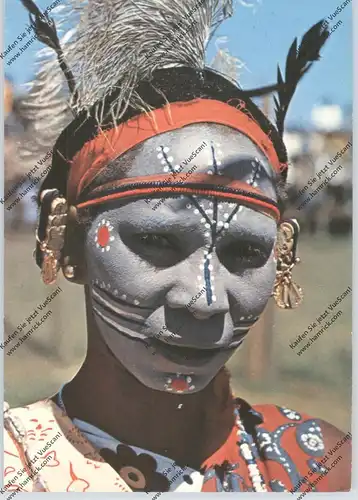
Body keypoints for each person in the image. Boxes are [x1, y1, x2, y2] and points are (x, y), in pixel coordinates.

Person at [3, 0, 351, 494]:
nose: (205, 300)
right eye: (156, 241)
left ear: (283, 258)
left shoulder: (321, 469)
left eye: (246, 253)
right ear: (66, 239)